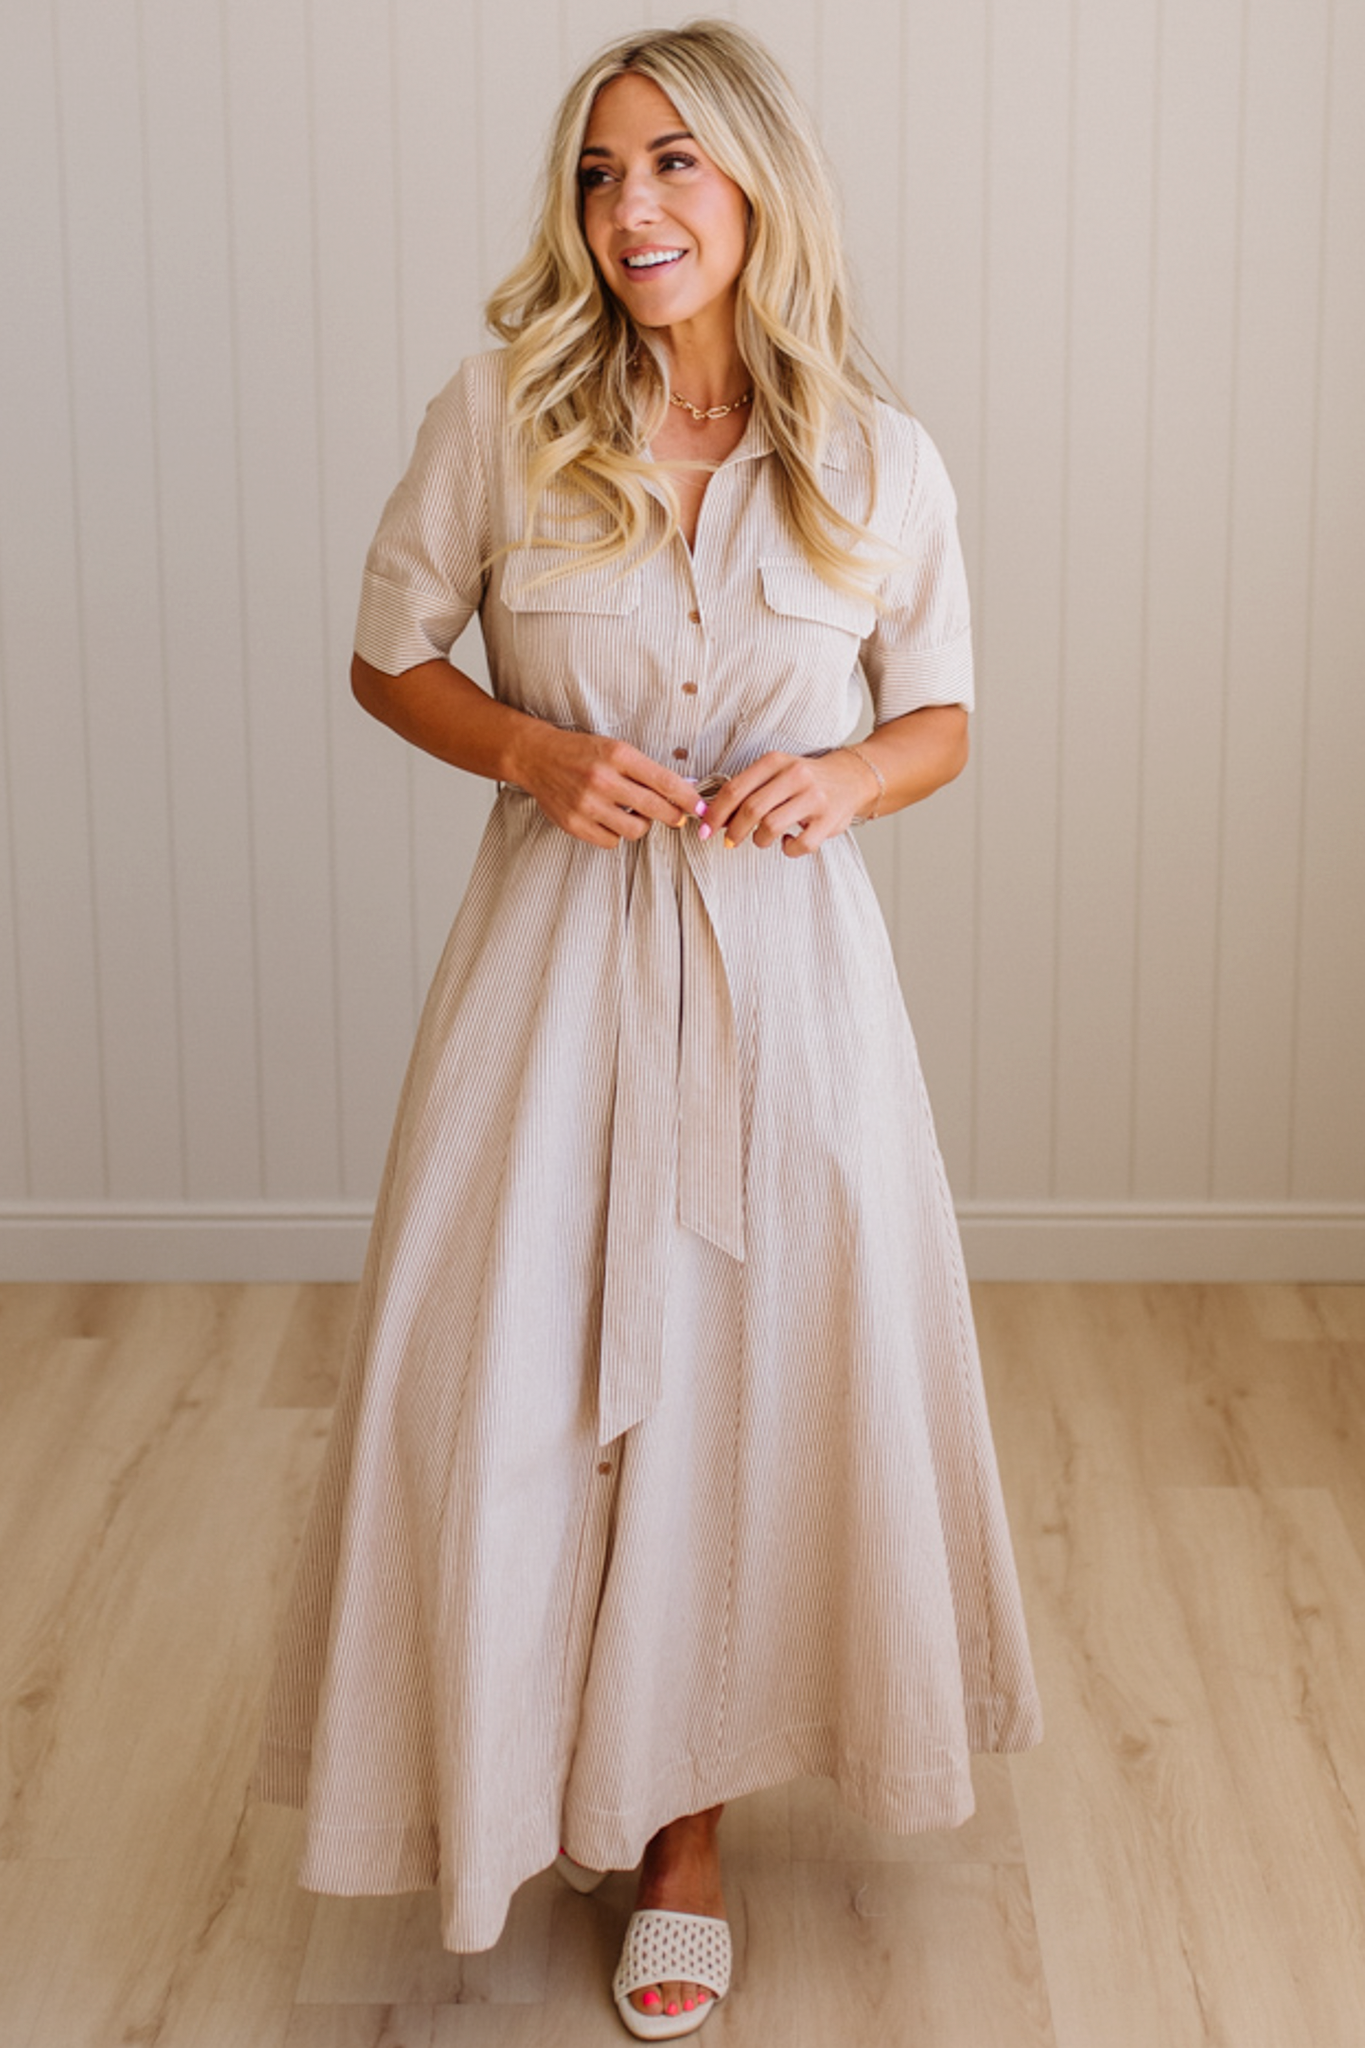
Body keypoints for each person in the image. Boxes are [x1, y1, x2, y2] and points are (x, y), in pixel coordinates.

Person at [252, 17, 1042, 2041]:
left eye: (673, 165)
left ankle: (682, 1835)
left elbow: (940, 714)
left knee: (749, 1388)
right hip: (550, 977)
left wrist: (843, 784)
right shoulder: (502, 415)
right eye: (601, 173)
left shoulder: (878, 452)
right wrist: (529, 745)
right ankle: (520, 1773)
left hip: (789, 995)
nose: (631, 210)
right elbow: (385, 653)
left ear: (759, 185)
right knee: (514, 1379)